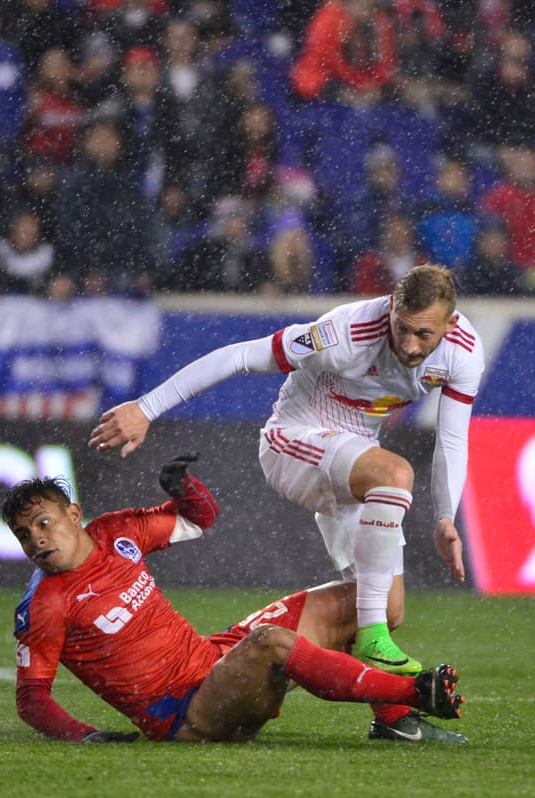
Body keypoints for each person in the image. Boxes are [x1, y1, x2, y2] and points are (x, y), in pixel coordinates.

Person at [91, 265, 484, 680]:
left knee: (387, 610)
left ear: (449, 325)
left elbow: (452, 439)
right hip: (292, 440)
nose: (408, 344)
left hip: (357, 461)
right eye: (401, 327)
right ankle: (370, 640)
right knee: (397, 475)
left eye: (423, 334)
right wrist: (146, 407)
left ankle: (240, 671)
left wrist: (445, 517)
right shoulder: (346, 333)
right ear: (390, 308)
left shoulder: (463, 353)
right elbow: (239, 356)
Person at [1, 458, 467, 744]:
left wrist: (185, 489)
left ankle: (393, 723)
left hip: (215, 659)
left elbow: (200, 518)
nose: (36, 539)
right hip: (188, 715)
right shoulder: (44, 604)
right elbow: (31, 698)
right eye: (24, 534)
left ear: (74, 515)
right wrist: (85, 736)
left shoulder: (115, 533)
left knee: (364, 601)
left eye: (43, 522)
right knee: (270, 642)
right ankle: (414, 692)